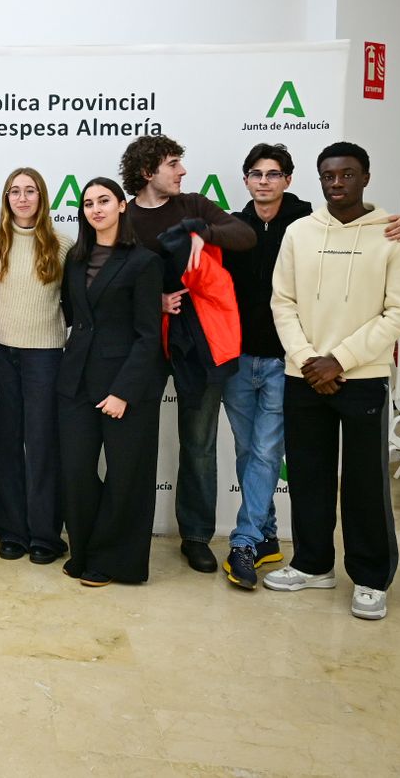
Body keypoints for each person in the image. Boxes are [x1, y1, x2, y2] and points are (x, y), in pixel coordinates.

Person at [220, 144, 400, 589]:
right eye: (329, 176)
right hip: (302, 373)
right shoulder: (300, 231)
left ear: (365, 177)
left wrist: (339, 360)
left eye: (347, 175)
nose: (337, 183)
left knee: (365, 483)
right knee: (309, 478)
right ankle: (313, 565)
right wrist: (310, 360)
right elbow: (283, 301)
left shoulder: (393, 234)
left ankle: (371, 579)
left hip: (361, 376)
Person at [119, 135, 256, 574]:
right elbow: (108, 281)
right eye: (173, 164)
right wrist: (153, 303)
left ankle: (196, 537)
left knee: (199, 444)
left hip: (198, 342)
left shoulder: (195, 205)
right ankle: (128, 530)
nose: (182, 171)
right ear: (147, 171)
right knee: (134, 441)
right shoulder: (123, 215)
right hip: (144, 342)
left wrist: (205, 232)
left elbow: (245, 234)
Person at [57, 178, 163, 587]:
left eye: (104, 201)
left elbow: (148, 335)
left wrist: (123, 392)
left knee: (127, 476)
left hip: (124, 386)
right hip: (76, 382)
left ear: (122, 205)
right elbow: (74, 317)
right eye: (87, 203)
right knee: (77, 471)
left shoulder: (144, 262)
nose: (95, 209)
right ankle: (84, 551)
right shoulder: (76, 259)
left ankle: (115, 560)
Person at [0, 168, 73, 565]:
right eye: (14, 191)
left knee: (44, 446)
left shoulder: (63, 245)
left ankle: (45, 535)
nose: (22, 198)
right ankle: (11, 532)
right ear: (6, 198)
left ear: (42, 197)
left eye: (30, 191)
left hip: (45, 356)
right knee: (6, 446)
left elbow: (80, 301)